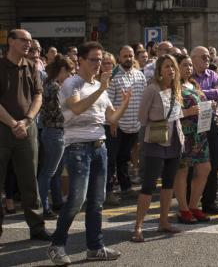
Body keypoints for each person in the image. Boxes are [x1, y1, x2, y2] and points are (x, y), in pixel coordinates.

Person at [48, 42, 131, 265]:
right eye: (93, 60)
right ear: (81, 61)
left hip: (99, 145)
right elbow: (75, 108)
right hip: (77, 147)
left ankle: (95, 247)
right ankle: (57, 245)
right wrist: (102, 89)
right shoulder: (72, 83)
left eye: (101, 60)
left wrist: (125, 103)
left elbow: (111, 119)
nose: (98, 65)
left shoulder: (98, 85)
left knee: (97, 201)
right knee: (76, 200)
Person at [0, 29, 49, 242]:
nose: (28, 44)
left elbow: (38, 95)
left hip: (27, 130)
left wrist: (27, 121)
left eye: (30, 41)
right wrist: (13, 123)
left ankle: (37, 228)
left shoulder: (31, 66)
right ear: (11, 41)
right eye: (24, 40)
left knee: (30, 182)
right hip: (2, 130)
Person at [131, 55, 184, 242]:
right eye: (167, 66)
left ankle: (163, 222)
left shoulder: (176, 88)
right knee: (148, 186)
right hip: (155, 141)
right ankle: (138, 226)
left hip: (175, 140)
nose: (171, 70)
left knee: (169, 184)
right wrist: (158, 122)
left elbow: (177, 114)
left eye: (173, 67)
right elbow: (142, 117)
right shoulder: (151, 89)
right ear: (159, 70)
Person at [173, 55, 211, 224]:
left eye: (190, 65)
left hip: (199, 133)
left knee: (204, 169)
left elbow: (201, 104)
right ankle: (183, 209)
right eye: (184, 65)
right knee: (182, 172)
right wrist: (187, 112)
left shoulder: (194, 84)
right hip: (183, 134)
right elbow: (166, 112)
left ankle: (194, 205)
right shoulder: (172, 86)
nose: (188, 68)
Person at [105, 46, 145, 206]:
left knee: (124, 159)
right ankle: (107, 192)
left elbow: (142, 99)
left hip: (134, 125)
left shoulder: (139, 75)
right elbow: (108, 102)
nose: (128, 58)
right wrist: (112, 122)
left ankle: (126, 187)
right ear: (119, 58)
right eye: (125, 56)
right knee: (110, 160)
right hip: (117, 126)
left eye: (130, 55)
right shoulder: (113, 76)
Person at [190, 46, 218, 214]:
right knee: (193, 164)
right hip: (191, 124)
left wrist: (200, 93)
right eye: (203, 57)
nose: (207, 60)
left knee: (216, 157)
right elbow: (184, 93)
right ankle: (191, 204)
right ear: (193, 58)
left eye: (208, 57)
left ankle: (209, 202)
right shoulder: (188, 75)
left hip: (210, 121)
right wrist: (204, 94)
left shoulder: (211, 74)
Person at [38, 55, 74, 219]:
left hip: (51, 131)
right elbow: (59, 113)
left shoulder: (48, 84)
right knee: (48, 172)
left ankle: (57, 202)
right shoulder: (55, 87)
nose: (70, 76)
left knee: (55, 171)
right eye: (69, 72)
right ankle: (44, 208)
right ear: (62, 70)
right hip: (55, 132)